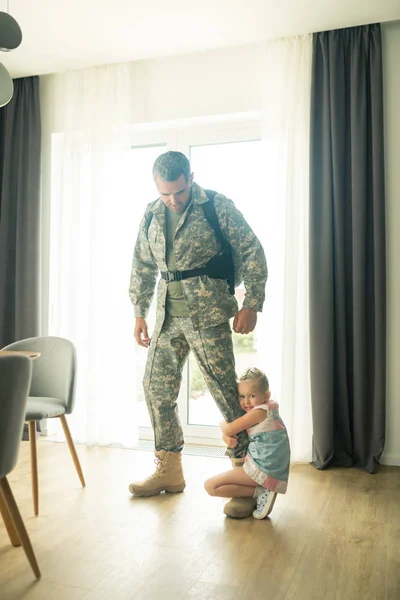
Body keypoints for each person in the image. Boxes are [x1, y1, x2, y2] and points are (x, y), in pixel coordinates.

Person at [128, 151, 268, 518]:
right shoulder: (151, 214)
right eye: (165, 194)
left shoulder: (216, 206)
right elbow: (142, 264)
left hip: (207, 315)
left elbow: (251, 250)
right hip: (166, 317)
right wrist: (138, 312)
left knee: (227, 396)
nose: (173, 200)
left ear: (191, 177)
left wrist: (251, 302)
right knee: (155, 389)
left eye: (179, 191)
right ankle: (169, 469)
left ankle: (247, 478)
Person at [204, 367, 290, 519]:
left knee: (210, 486)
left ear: (266, 395)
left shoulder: (259, 412)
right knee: (215, 485)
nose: (246, 402)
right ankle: (260, 490)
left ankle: (260, 491)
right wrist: (226, 434)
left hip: (262, 469)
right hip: (272, 467)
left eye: (251, 396)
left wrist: (222, 426)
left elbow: (229, 428)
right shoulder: (270, 407)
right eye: (242, 396)